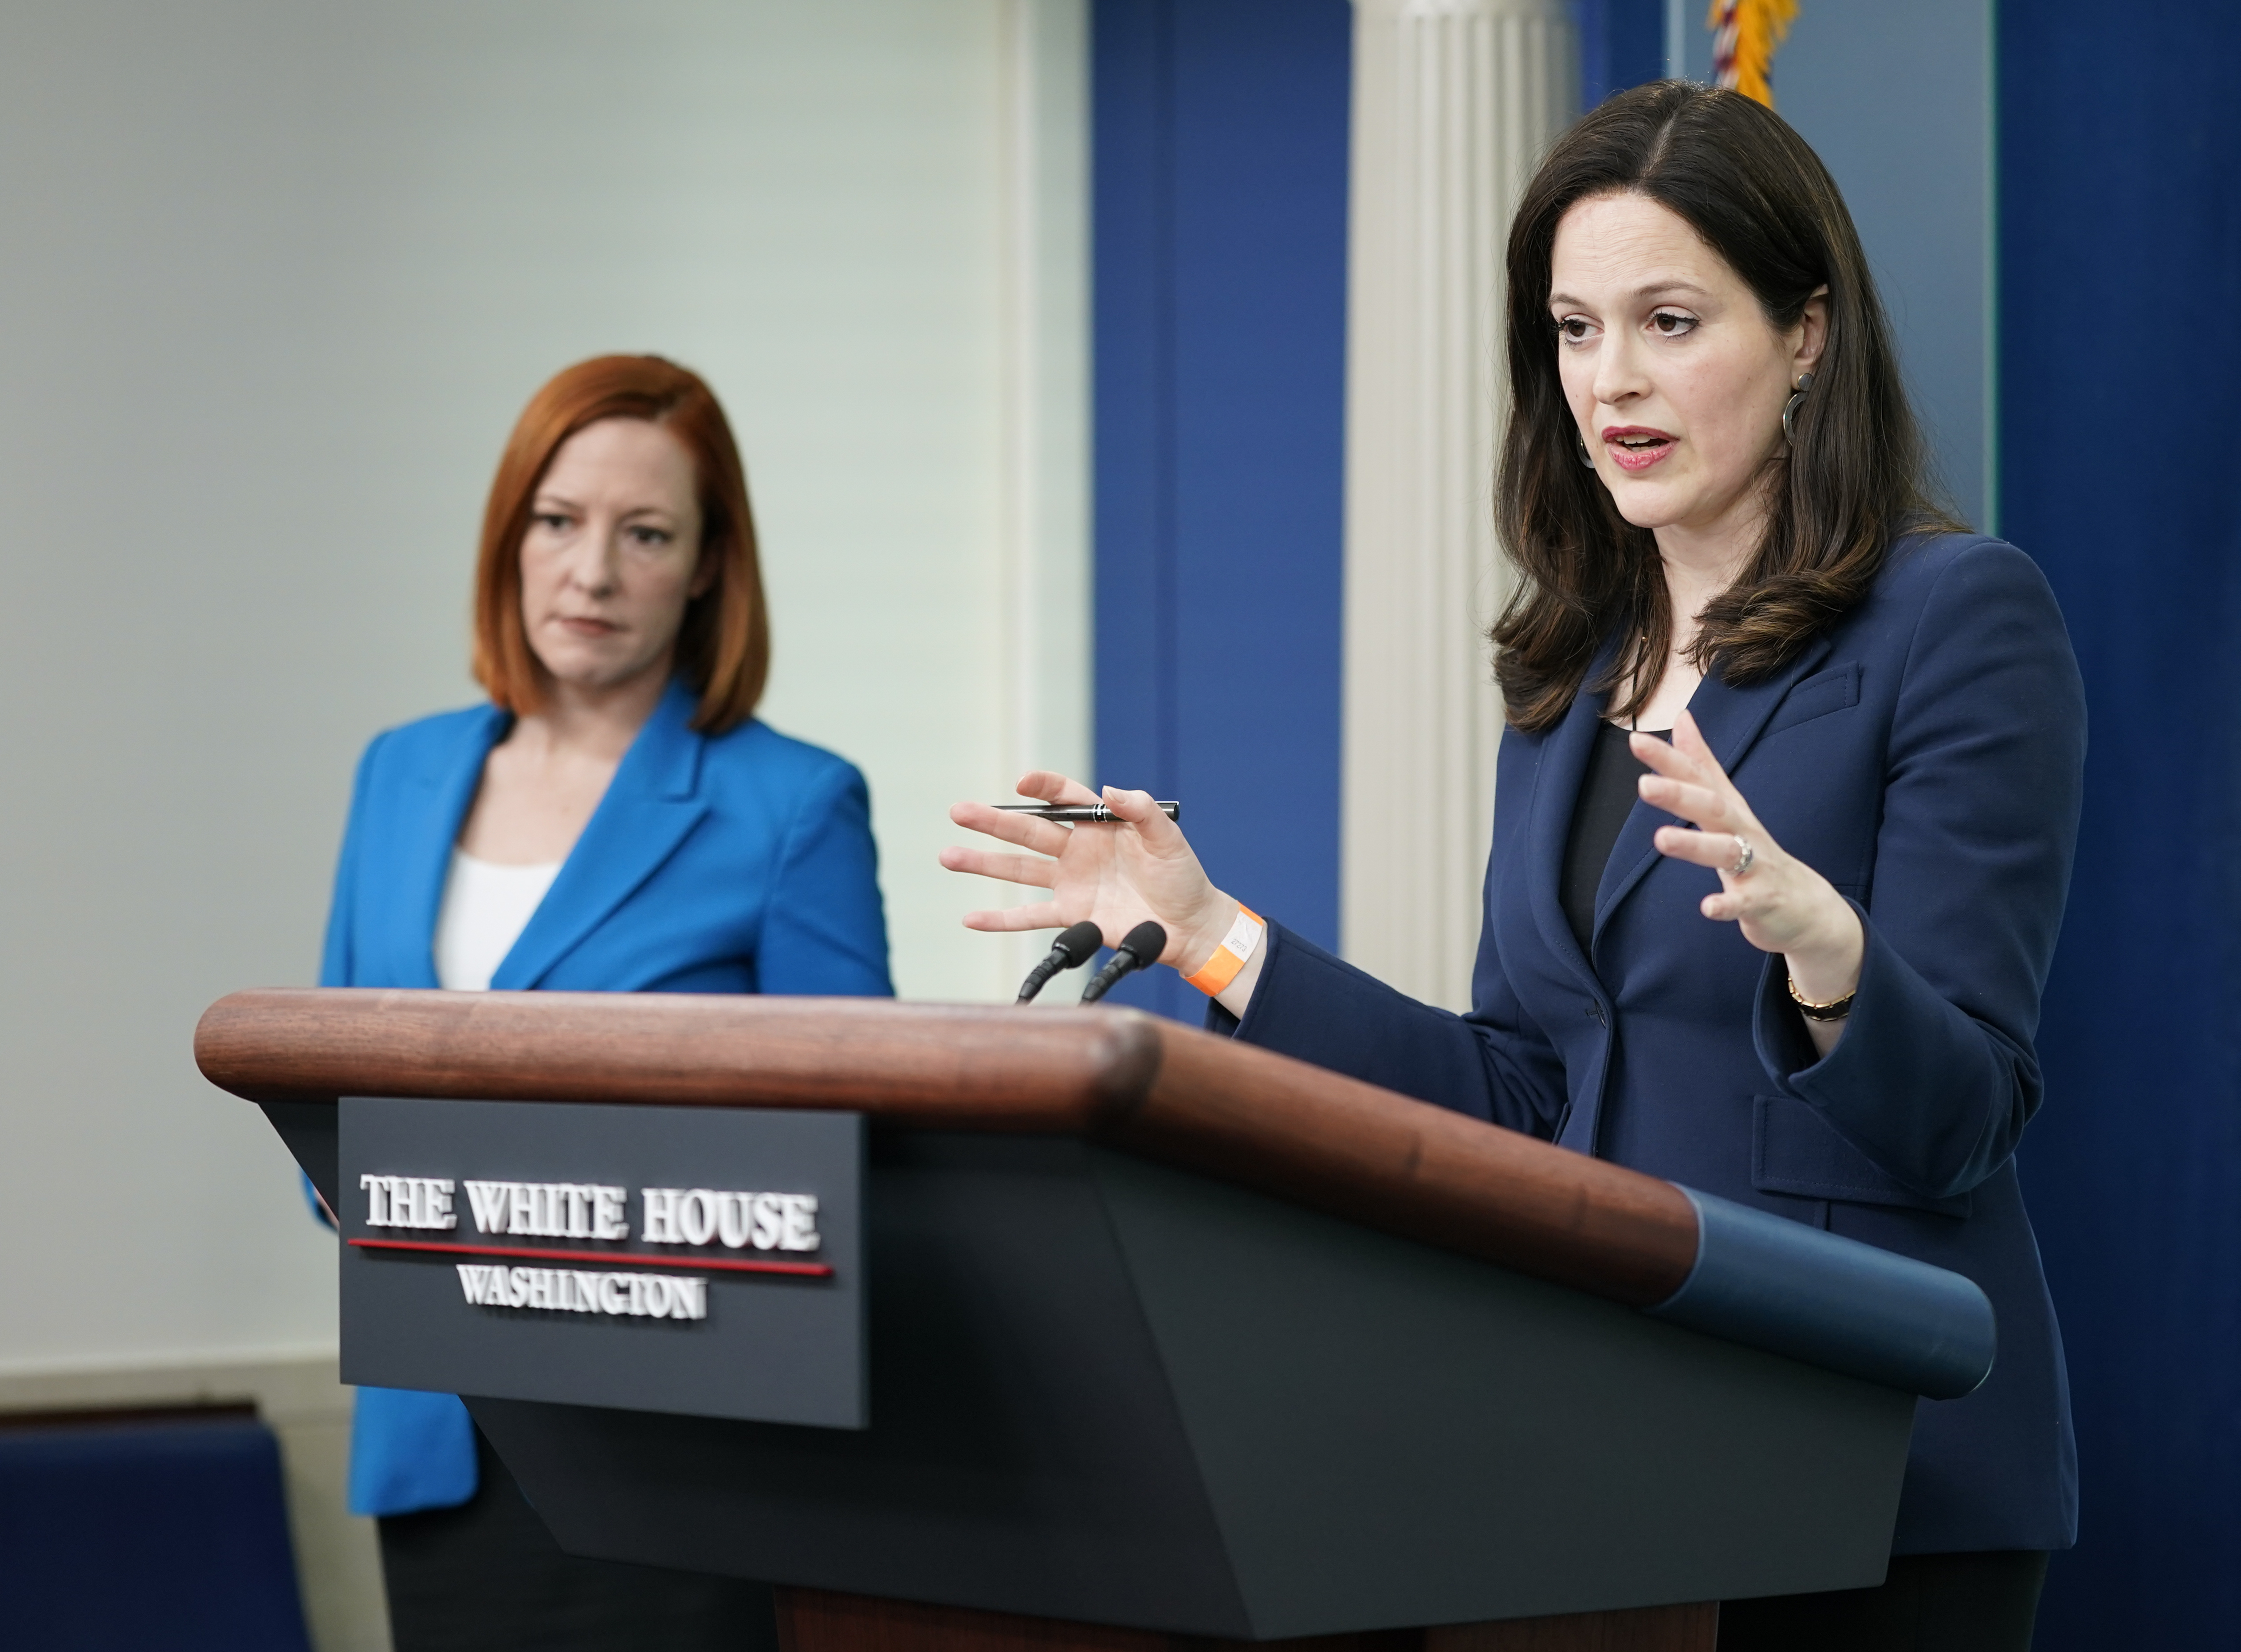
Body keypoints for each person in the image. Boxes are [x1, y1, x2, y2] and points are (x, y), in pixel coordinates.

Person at [944, 83, 2079, 1652]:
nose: (1612, 379)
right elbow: (1525, 1103)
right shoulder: (1570, 678)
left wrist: (1828, 955)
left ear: (1805, 333)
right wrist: (1208, 936)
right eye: (1573, 328)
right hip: (1601, 1448)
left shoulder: (1955, 619)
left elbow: (1963, 1119)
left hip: (1866, 1472)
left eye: (1670, 320)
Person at [319, 354, 893, 1652]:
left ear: (704, 566)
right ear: (510, 532)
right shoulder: (398, 774)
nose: (590, 573)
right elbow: (325, 1113)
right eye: (558, 521)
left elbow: (852, 1152)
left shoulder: (794, 804)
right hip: (440, 1442)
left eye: (645, 534)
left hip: (684, 1462)